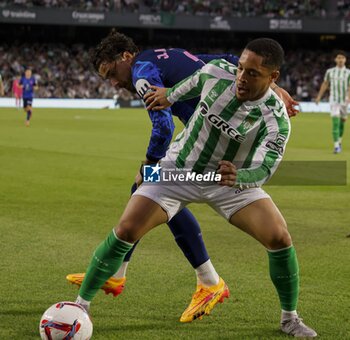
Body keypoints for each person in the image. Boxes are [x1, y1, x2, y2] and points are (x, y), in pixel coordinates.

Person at [73, 37, 316, 337]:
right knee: (126, 229)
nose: (241, 77)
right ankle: (79, 306)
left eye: (252, 73)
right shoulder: (217, 73)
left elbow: (265, 168)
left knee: (279, 236)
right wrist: (168, 96)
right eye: (240, 68)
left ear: (273, 78)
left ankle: (289, 318)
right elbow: (191, 81)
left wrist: (241, 176)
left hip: (226, 180)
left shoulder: (277, 119)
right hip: (178, 170)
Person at [316, 50, 350, 153]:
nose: (340, 60)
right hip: (334, 100)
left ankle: (339, 141)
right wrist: (319, 96)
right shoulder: (330, 72)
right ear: (335, 59)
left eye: (342, 58)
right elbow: (325, 84)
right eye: (338, 58)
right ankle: (336, 146)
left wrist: (348, 97)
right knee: (335, 122)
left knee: (342, 122)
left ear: (345, 60)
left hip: (344, 101)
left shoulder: (348, 72)